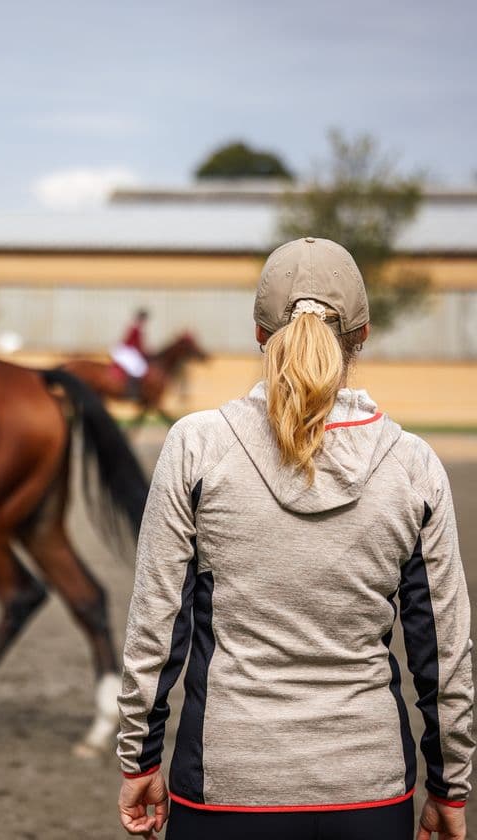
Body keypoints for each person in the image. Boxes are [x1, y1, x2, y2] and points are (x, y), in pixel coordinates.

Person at [117, 237, 473, 840]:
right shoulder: (413, 464)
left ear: (261, 334)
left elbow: (157, 621)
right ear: (361, 336)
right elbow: (444, 650)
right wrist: (451, 784)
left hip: (225, 787)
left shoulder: (197, 447)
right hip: (370, 792)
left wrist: (139, 758)